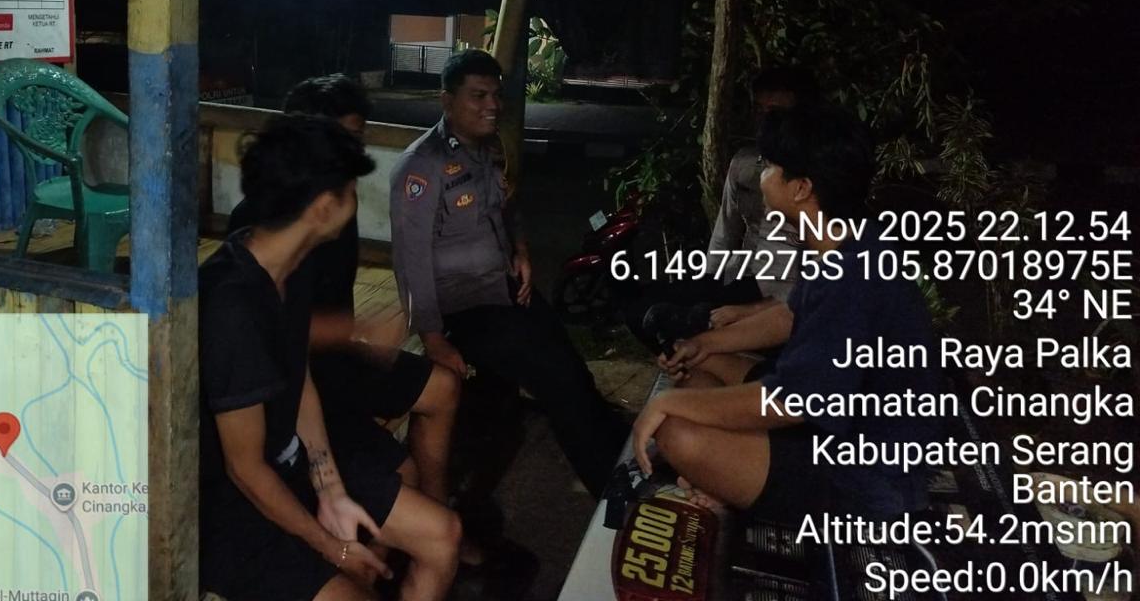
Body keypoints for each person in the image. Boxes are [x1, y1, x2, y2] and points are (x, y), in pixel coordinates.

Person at [631, 103, 941, 525]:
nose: (762, 174)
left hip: (867, 471)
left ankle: (735, 484)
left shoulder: (851, 276)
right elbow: (788, 317)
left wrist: (669, 403)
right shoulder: (847, 239)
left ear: (801, 188)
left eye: (770, 166)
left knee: (676, 431)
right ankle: (731, 475)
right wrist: (706, 343)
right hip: (836, 417)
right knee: (703, 366)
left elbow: (793, 401)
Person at [200, 114, 460, 601]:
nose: (356, 200)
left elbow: (297, 377)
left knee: (443, 535)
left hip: (290, 465)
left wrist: (331, 489)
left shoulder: (288, 263)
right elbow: (245, 469)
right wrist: (331, 546)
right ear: (324, 208)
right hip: (232, 505)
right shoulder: (232, 307)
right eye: (351, 190)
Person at [389, 49, 629, 496]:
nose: (493, 105)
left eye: (496, 95)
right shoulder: (420, 167)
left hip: (506, 290)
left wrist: (520, 249)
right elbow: (410, 260)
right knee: (557, 380)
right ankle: (613, 488)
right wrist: (433, 339)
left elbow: (507, 205)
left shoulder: (488, 149)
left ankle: (626, 454)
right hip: (464, 308)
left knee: (573, 370)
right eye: (478, 96)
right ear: (447, 101)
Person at [623, 67, 812, 354]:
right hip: (745, 277)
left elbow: (800, 302)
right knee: (648, 309)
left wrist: (744, 313)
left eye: (775, 113)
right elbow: (726, 231)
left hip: (783, 293)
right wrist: (709, 279)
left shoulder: (816, 179)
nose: (765, 120)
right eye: (759, 110)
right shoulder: (747, 164)